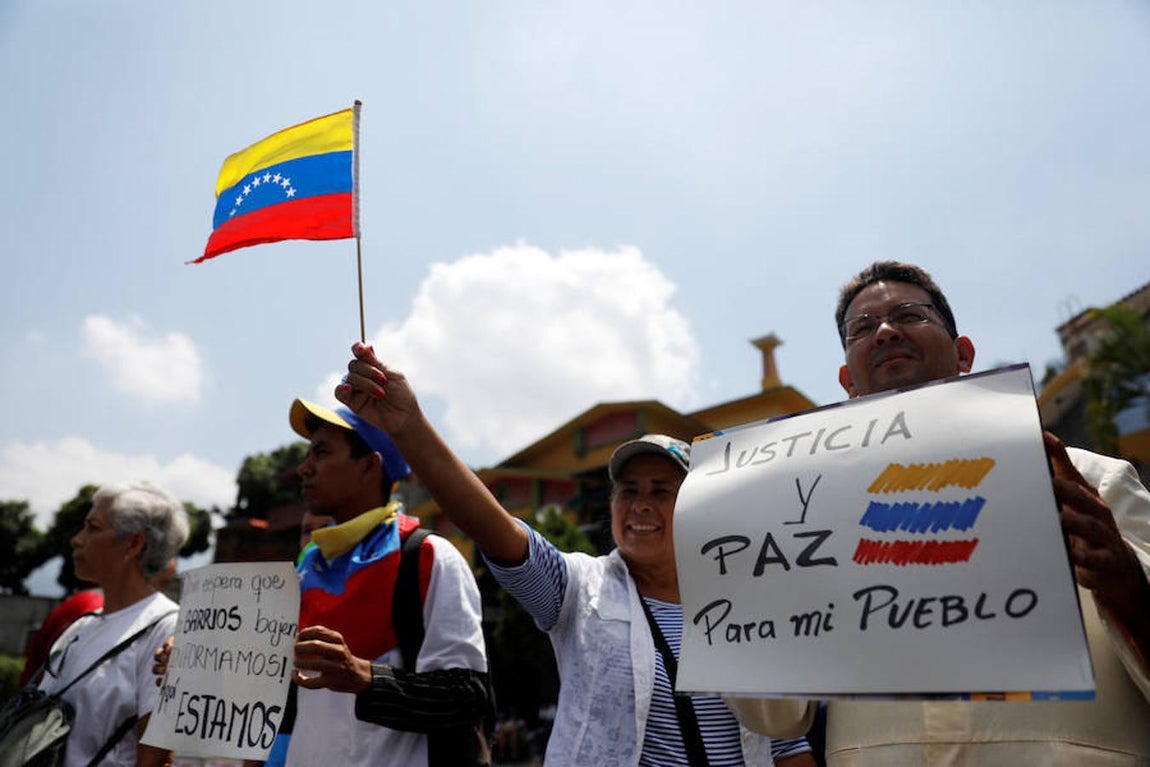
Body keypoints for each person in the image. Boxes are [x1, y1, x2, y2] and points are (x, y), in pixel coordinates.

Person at [731, 261, 1150, 765]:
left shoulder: (1092, 482)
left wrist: (1127, 582)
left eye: (908, 315)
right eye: (861, 329)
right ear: (848, 380)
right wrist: (741, 585)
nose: (885, 332)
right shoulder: (804, 521)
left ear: (963, 353)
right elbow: (772, 718)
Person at [335, 343, 816, 766]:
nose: (641, 504)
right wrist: (410, 427)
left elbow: (786, 745)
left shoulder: (746, 610)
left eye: (661, 490)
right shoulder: (578, 590)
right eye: (627, 491)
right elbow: (491, 526)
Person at [276, 399, 491, 767]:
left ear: (369, 466)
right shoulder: (303, 570)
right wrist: (192, 668)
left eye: (322, 453)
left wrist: (365, 678)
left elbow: (467, 697)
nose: (303, 468)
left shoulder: (427, 556)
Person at [35, 481, 188, 767]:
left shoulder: (167, 630)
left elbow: (155, 758)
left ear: (133, 543)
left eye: (93, 528)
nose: (77, 540)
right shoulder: (81, 628)